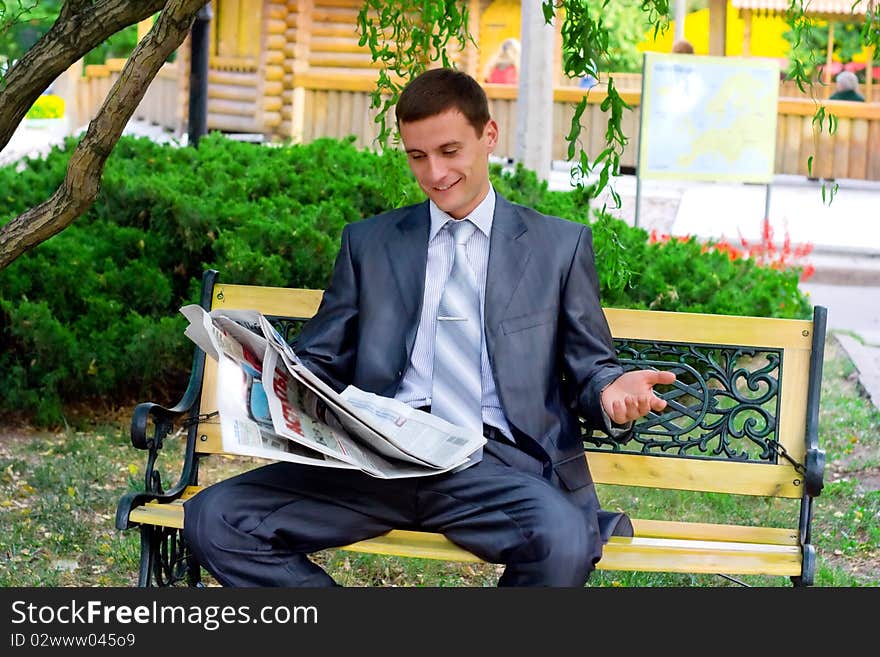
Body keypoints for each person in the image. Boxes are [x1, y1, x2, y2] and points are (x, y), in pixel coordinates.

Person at [182, 67, 675, 587]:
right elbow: (320, 359)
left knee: (566, 540)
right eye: (417, 156)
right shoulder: (370, 244)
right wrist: (270, 371)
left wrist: (611, 390)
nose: (435, 173)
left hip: (492, 466)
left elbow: (591, 366)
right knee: (216, 519)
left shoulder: (557, 246)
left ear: (489, 136)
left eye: (449, 151)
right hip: (376, 461)